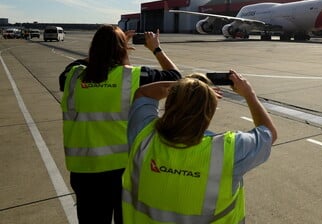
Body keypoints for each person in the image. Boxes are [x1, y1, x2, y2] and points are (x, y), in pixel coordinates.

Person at [60, 25, 181, 224]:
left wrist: (106, 49)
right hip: (125, 171)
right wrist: (156, 49)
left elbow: (77, 64)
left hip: (85, 173)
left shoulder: (71, 77)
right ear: (122, 49)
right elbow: (176, 78)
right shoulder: (136, 76)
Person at [122, 70, 277, 224]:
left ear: (169, 103)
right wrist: (249, 94)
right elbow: (269, 133)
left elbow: (144, 93)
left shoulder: (143, 136)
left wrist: (186, 87)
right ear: (208, 113)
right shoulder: (229, 150)